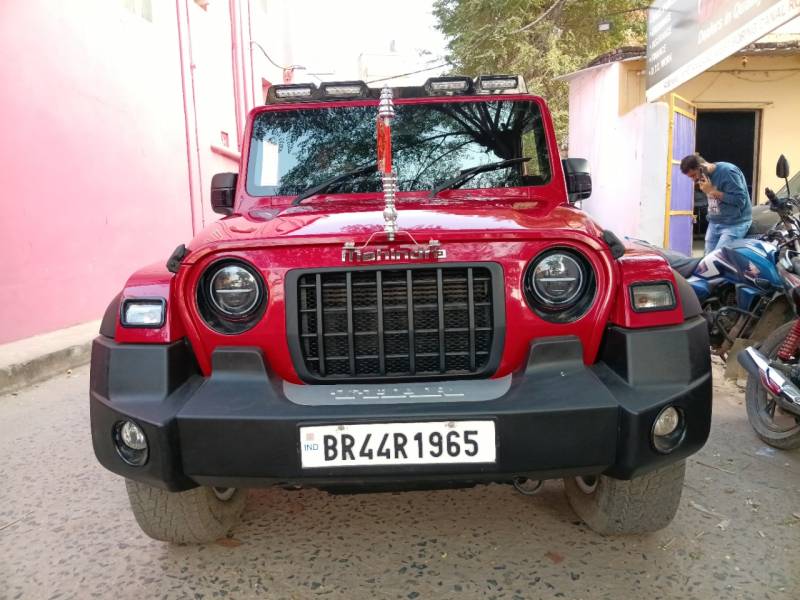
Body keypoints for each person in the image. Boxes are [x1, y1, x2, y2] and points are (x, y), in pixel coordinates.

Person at [680, 154, 752, 254]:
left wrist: (712, 191)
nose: (693, 180)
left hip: (733, 224)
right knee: (707, 260)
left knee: (719, 260)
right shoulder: (704, 177)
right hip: (715, 222)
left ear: (702, 167)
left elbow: (740, 200)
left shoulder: (728, 172)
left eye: (693, 175)